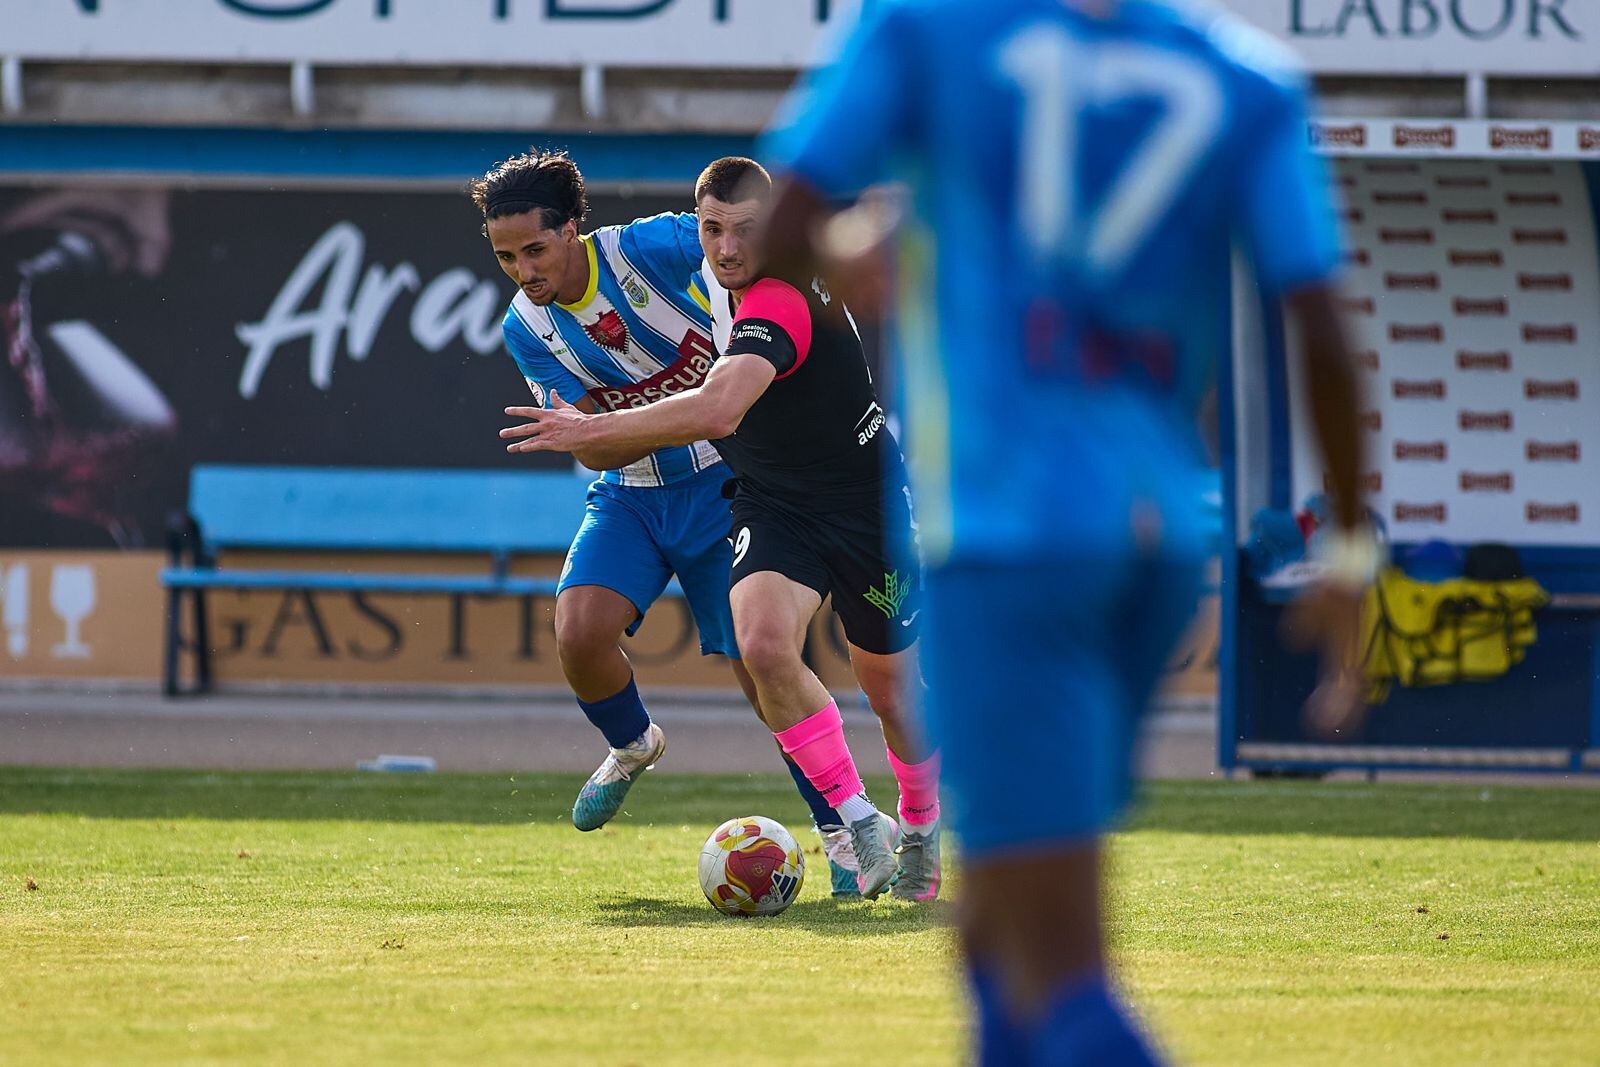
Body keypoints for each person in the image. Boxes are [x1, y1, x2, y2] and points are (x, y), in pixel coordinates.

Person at [757, 0, 1371, 1062]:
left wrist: (863, 238)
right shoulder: (1248, 75)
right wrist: (1354, 549)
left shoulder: (925, 30)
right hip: (1153, 546)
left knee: (1065, 972)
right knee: (993, 931)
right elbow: (1316, 317)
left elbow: (777, 228)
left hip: (1008, 546)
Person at [499, 157, 943, 902]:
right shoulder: (690, 286)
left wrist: (596, 426)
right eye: (712, 230)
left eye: (743, 231)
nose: (726, 247)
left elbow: (717, 409)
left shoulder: (776, 297)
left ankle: (923, 826)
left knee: (892, 690)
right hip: (768, 499)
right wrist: (591, 436)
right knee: (763, 645)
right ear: (696, 227)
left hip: (861, 501)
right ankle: (858, 822)